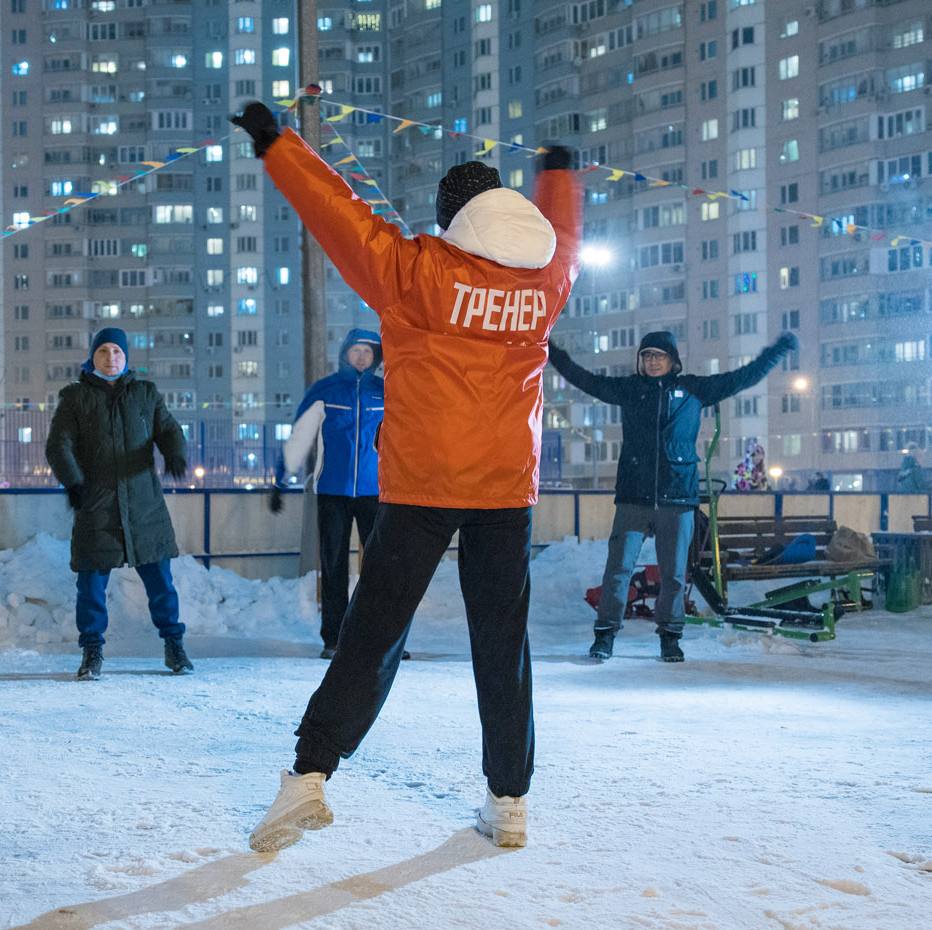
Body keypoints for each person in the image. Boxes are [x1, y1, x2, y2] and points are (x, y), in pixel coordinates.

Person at [229, 101, 581, 852]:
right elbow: (569, 233)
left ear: (453, 219)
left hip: (421, 485)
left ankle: (308, 776)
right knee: (502, 643)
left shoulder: (417, 271)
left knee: (374, 632)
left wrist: (277, 144)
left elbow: (340, 216)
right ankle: (510, 800)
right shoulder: (549, 278)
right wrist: (558, 171)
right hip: (504, 490)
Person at [547, 330, 796, 664]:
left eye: (659, 356)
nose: (652, 361)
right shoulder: (630, 390)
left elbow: (742, 378)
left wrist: (775, 352)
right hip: (633, 497)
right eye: (646, 356)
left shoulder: (693, 389)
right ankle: (605, 635)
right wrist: (550, 350)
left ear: (673, 360)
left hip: (677, 498)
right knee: (618, 569)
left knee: (674, 575)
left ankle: (670, 639)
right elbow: (584, 379)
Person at [45, 326, 192, 680]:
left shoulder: (145, 393)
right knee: (91, 586)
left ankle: (174, 645)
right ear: (93, 356)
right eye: (103, 351)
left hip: (144, 505)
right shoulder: (75, 398)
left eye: (117, 352)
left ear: (126, 358)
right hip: (97, 505)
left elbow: (169, 429)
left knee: (160, 582)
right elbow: (58, 444)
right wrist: (73, 481)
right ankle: (91, 651)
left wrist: (174, 453)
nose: (111, 358)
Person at [271, 328, 386, 658]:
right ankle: (334, 639)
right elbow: (300, 435)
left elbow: (409, 438)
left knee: (379, 568)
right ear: (344, 354)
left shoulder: (388, 391)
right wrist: (281, 479)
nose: (361, 356)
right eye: (356, 350)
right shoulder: (326, 390)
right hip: (332, 491)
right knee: (333, 566)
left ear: (376, 357)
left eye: (368, 351)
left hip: (375, 492)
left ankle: (379, 639)